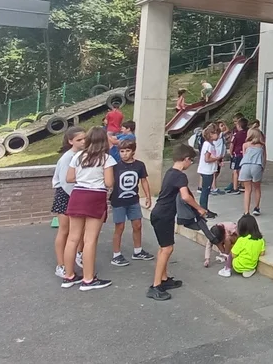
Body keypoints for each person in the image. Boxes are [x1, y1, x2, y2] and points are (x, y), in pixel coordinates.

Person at [148, 143, 207, 300]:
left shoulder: (170, 172)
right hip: (164, 216)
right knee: (166, 249)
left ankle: (164, 278)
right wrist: (199, 208)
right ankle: (155, 286)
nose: (190, 164)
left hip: (159, 214)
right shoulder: (180, 176)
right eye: (191, 161)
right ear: (186, 159)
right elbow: (185, 196)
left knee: (164, 248)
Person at [61, 127, 117, 291]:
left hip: (77, 195)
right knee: (89, 239)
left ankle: (68, 276)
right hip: (95, 196)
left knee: (73, 238)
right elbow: (109, 183)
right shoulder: (106, 158)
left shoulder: (78, 156)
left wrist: (84, 178)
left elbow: (69, 178)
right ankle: (88, 278)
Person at [109, 139, 155, 267]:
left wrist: (148, 196)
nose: (124, 154)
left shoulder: (139, 165)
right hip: (118, 201)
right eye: (122, 151)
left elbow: (143, 180)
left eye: (127, 151)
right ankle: (116, 254)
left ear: (133, 151)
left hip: (133, 200)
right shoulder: (115, 166)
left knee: (137, 225)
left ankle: (138, 251)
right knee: (119, 227)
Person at [51, 126, 86, 279]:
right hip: (66, 194)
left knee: (79, 229)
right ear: (71, 141)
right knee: (64, 230)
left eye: (85, 138)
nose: (83, 142)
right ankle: (61, 265)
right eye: (79, 140)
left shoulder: (81, 155)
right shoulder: (67, 158)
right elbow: (66, 181)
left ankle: (78, 254)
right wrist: (77, 197)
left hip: (76, 193)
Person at [231, 213, 267, 278]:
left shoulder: (241, 240)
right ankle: (249, 270)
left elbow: (233, 255)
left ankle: (227, 269)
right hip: (252, 265)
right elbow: (262, 253)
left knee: (232, 256)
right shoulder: (261, 240)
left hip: (238, 266)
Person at [240, 127, 266, 216]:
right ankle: (256, 208)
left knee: (247, 190)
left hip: (245, 166)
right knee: (257, 188)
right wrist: (263, 168)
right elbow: (264, 158)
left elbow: (244, 156)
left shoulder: (245, 145)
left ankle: (246, 211)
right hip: (256, 166)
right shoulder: (262, 145)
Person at [196, 125, 221, 209]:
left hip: (209, 170)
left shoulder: (210, 144)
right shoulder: (208, 145)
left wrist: (217, 161)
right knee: (205, 190)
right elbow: (207, 159)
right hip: (206, 171)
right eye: (217, 134)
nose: (218, 136)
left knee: (206, 190)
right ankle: (203, 208)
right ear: (211, 134)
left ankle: (205, 208)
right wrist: (216, 158)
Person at [225, 117, 248, 195]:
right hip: (244, 154)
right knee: (242, 169)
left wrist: (231, 153)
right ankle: (242, 185)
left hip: (237, 154)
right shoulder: (247, 134)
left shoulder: (236, 135)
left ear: (239, 126)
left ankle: (235, 188)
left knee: (235, 171)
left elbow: (232, 144)